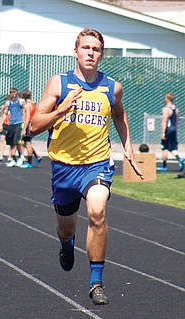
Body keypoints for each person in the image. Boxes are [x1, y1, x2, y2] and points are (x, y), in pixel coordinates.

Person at [31, 28, 144, 305]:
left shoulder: (112, 87)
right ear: (76, 52)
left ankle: (96, 282)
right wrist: (60, 110)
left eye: (96, 49)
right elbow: (33, 126)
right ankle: (66, 245)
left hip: (97, 165)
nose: (90, 53)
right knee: (66, 228)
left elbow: (119, 114)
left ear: (101, 55)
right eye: (86, 48)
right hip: (64, 168)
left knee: (96, 211)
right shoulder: (59, 84)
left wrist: (128, 147)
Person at [156, 92, 184, 172]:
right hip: (174, 129)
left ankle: (165, 166)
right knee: (172, 147)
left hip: (168, 129)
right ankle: (179, 159)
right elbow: (176, 121)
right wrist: (174, 128)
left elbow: (164, 121)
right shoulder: (176, 109)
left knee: (164, 147)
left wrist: (163, 132)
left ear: (167, 99)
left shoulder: (166, 109)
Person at [3, 87, 30, 168]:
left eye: (15, 92)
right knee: (11, 143)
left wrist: (25, 127)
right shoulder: (8, 103)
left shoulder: (21, 101)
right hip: (11, 124)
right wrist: (2, 123)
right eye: (12, 93)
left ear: (17, 93)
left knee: (18, 142)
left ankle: (21, 157)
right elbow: (5, 112)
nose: (13, 94)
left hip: (19, 123)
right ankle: (13, 159)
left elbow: (27, 112)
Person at [21, 89, 42, 168]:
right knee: (24, 143)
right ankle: (37, 156)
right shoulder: (33, 103)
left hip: (28, 125)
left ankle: (29, 162)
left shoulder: (27, 105)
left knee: (27, 143)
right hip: (31, 124)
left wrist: (24, 129)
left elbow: (28, 117)